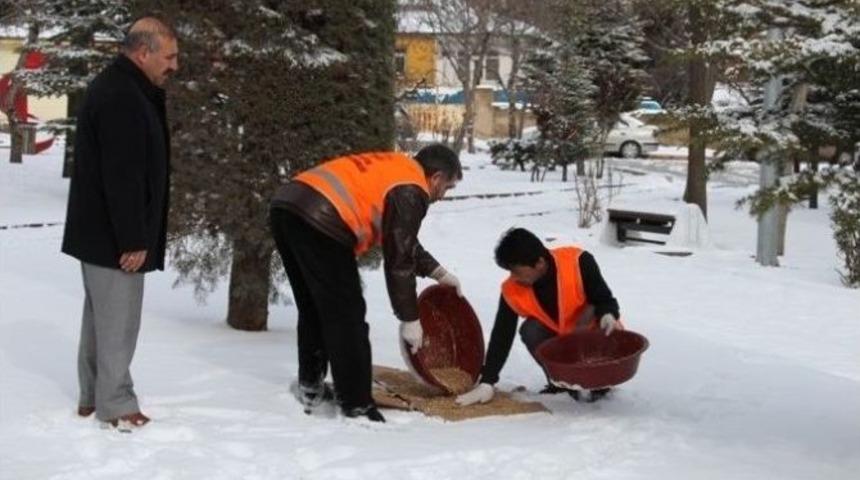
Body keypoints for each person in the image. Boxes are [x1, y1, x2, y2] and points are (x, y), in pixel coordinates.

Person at [269, 145, 463, 422]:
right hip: (321, 220)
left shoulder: (399, 170)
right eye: (448, 187)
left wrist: (438, 272)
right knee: (347, 317)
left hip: (289, 206)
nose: (443, 196)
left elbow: (401, 241)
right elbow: (399, 259)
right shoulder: (412, 189)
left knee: (315, 308)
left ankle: (310, 387)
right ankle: (358, 406)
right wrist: (410, 318)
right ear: (436, 177)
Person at [61, 16, 179, 430]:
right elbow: (123, 175)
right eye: (169, 56)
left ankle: (93, 396)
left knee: (101, 318)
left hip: (100, 231)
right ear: (143, 52)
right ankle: (116, 404)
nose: (174, 65)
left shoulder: (126, 87)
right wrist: (133, 239)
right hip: (114, 234)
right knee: (119, 320)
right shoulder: (122, 96)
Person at [456, 228, 622, 406]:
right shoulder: (512, 289)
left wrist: (608, 314)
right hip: (561, 342)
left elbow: (604, 298)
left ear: (540, 263)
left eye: (517, 270)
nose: (513, 277)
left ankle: (600, 385)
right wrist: (487, 381)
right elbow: (502, 334)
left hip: (591, 340)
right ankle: (561, 383)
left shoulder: (578, 261)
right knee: (530, 330)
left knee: (594, 315)